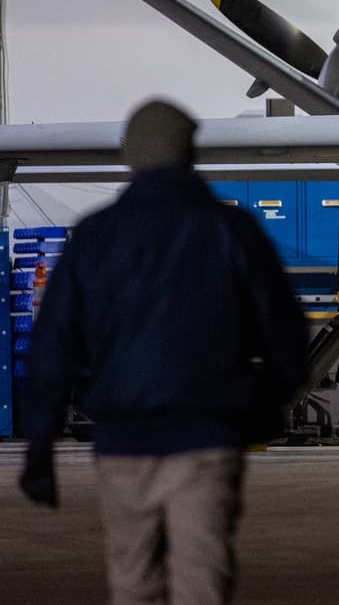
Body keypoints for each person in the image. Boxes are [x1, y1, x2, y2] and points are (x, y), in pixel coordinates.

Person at [19, 98, 309, 605]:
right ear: (188, 153)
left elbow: (53, 345)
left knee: (133, 581)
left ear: (129, 154)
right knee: (202, 578)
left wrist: (40, 445)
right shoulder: (231, 230)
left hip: (121, 440)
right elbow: (284, 330)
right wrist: (271, 404)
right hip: (207, 436)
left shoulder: (95, 235)